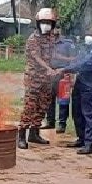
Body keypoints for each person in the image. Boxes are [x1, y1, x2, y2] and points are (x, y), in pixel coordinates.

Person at [62, 32, 92, 154]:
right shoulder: (85, 49)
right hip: (81, 81)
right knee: (77, 112)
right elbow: (76, 61)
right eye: (87, 33)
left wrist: (65, 69)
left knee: (89, 114)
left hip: (91, 84)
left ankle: (90, 144)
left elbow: (86, 63)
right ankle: (81, 138)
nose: (88, 36)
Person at [18, 8, 58, 149]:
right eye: (43, 22)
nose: (46, 25)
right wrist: (48, 68)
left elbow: (54, 55)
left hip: (47, 80)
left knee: (42, 106)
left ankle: (34, 134)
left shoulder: (52, 38)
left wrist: (68, 60)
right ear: (38, 23)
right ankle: (21, 136)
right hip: (34, 78)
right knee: (30, 107)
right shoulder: (33, 39)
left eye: (49, 23)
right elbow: (37, 57)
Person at [46, 28, 77, 133]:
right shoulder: (47, 42)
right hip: (50, 72)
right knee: (48, 98)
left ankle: (62, 124)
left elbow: (74, 59)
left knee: (63, 99)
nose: (54, 31)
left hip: (63, 73)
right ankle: (50, 122)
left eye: (57, 28)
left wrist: (60, 58)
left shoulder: (67, 44)